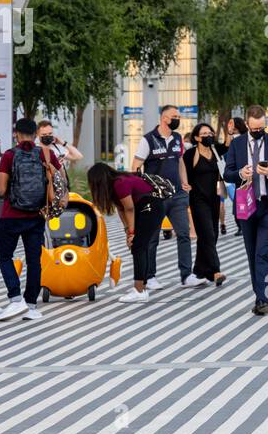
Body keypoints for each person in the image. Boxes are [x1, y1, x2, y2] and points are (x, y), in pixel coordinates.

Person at [223, 105, 268, 315]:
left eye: (261, 127)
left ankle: (263, 299)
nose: (258, 131)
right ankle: (258, 293)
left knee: (262, 252)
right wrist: (241, 173)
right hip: (246, 206)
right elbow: (227, 174)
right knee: (251, 253)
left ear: (265, 123)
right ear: (247, 124)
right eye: (254, 128)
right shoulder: (237, 144)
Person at [0, 118, 62, 321]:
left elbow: (1, 189)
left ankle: (16, 299)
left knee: (4, 256)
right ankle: (31, 305)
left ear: (16, 133)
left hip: (11, 215)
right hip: (36, 215)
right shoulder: (45, 153)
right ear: (35, 134)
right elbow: (59, 179)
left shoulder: (9, 155)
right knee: (34, 261)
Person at [133, 104, 193, 289]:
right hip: (155, 197)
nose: (178, 119)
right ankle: (149, 276)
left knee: (184, 233)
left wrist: (185, 182)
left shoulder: (177, 138)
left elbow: (180, 161)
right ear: (164, 118)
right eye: (174, 116)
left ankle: (187, 274)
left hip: (177, 195)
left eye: (178, 116)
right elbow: (135, 165)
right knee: (152, 237)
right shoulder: (148, 140)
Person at [87, 163, 165, 303]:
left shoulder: (120, 183)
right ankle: (143, 287)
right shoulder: (113, 187)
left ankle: (139, 290)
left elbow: (129, 209)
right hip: (144, 208)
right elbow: (121, 209)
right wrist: (128, 233)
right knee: (139, 246)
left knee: (139, 246)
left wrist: (132, 232)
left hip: (151, 206)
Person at [184, 122, 227, 288]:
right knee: (208, 234)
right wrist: (184, 185)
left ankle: (200, 271)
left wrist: (229, 131)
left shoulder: (215, 150)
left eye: (210, 133)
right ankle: (215, 271)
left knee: (212, 234)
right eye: (204, 133)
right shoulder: (190, 154)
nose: (208, 135)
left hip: (214, 198)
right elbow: (182, 171)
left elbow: (227, 145)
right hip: (198, 199)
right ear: (196, 137)